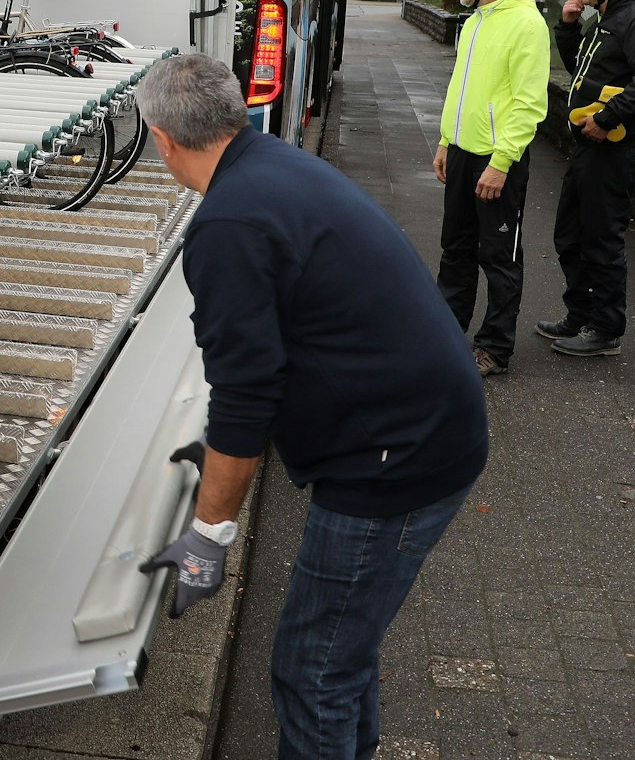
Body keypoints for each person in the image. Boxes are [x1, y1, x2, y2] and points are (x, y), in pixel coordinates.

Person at [138, 53, 489, 760]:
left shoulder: (229, 224)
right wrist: (216, 455)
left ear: (163, 139)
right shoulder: (272, 166)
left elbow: (246, 392)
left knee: (313, 668)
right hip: (429, 423)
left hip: (395, 456)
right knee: (340, 652)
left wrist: (210, 536)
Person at [539, 0, 635, 356]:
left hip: (616, 150)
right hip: (589, 149)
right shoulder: (606, 18)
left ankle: (606, 329)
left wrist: (607, 117)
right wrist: (567, 24)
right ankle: (580, 316)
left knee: (601, 240)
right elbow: (581, 69)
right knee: (569, 236)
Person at [433, 0, 550, 377]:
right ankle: (446, 333)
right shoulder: (477, 19)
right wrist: (446, 141)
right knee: (455, 250)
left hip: (498, 161)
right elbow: (460, 88)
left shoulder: (525, 22)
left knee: (500, 257)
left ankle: (495, 348)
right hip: (463, 153)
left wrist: (501, 162)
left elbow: (529, 103)